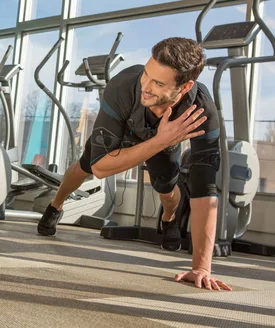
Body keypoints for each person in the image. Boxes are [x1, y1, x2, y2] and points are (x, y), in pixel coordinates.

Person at [37, 37, 232, 291]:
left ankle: (169, 218)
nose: (146, 86)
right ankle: (56, 206)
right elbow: (100, 168)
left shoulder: (201, 111)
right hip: (129, 133)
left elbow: (205, 189)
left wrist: (202, 268)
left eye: (158, 83)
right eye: (146, 74)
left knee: (167, 190)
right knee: (84, 165)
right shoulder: (124, 85)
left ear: (184, 87)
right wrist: (159, 141)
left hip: (166, 142)